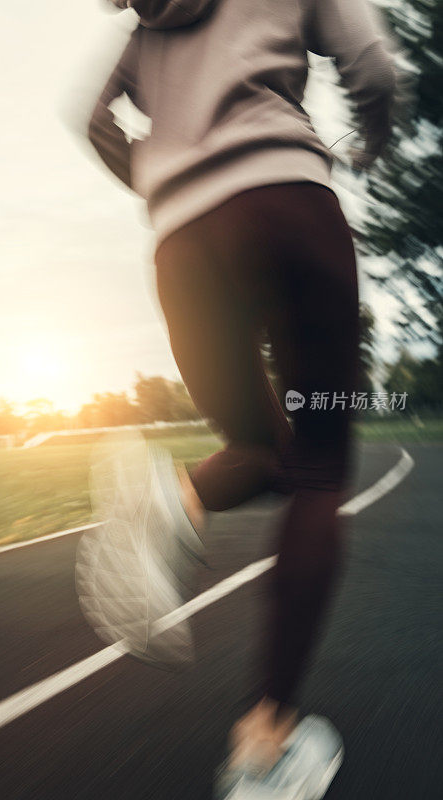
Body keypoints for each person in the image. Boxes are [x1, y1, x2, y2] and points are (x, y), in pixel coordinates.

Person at [75, 0, 401, 796]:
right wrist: (369, 142)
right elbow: (375, 68)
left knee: (264, 452)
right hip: (285, 206)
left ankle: (173, 496)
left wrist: (161, 176)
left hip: (182, 242)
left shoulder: (143, 26)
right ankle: (266, 741)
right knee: (321, 467)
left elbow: (90, 120)